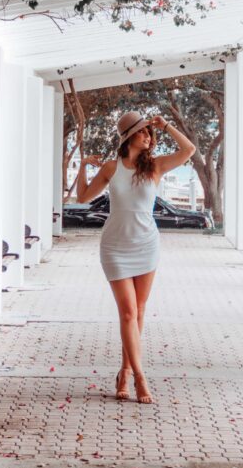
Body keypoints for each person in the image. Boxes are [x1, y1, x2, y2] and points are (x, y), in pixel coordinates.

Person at [76, 111, 195, 404]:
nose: (148, 136)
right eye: (143, 132)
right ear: (129, 136)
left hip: (146, 245)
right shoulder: (111, 168)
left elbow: (189, 150)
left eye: (149, 133)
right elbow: (82, 198)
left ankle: (125, 371)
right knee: (128, 312)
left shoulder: (155, 166)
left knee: (138, 312)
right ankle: (141, 377)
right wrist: (82, 168)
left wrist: (164, 124)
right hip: (115, 247)